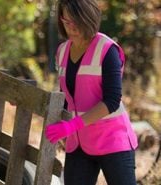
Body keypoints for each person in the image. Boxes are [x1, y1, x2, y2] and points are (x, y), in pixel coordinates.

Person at [44, 0, 138, 185]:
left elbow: (111, 101)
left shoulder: (107, 49)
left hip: (112, 140)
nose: (72, 27)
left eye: (77, 21)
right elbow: (67, 97)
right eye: (67, 21)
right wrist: (26, 99)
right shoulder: (62, 51)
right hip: (79, 144)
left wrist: (71, 126)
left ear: (89, 18)